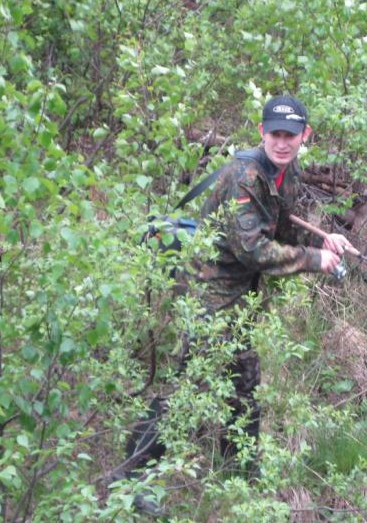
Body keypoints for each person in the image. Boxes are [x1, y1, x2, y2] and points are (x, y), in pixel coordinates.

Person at [118, 95, 351, 515]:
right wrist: (316, 261)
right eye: (275, 134)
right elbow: (253, 250)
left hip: (241, 293)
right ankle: (132, 476)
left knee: (244, 382)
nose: (282, 143)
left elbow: (280, 232)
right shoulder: (244, 175)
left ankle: (240, 469)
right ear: (261, 132)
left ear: (305, 136)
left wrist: (324, 241)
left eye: (291, 136)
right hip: (209, 288)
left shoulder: (287, 172)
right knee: (187, 383)